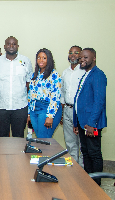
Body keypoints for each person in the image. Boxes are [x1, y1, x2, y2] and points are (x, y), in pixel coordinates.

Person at [73, 48, 107, 185]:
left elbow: (99, 102)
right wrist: (76, 122)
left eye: (86, 57)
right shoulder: (86, 74)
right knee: (85, 152)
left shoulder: (98, 75)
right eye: (81, 57)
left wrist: (92, 124)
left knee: (94, 154)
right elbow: (79, 100)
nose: (82, 60)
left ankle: (96, 185)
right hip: (83, 122)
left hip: (91, 124)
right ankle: (89, 181)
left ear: (94, 59)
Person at [0, 36, 33, 138]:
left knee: (18, 136)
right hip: (1, 106)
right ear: (5, 46)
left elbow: (29, 83)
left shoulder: (26, 61)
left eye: (14, 44)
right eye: (9, 44)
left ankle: (18, 155)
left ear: (18, 46)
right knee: (2, 136)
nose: (11, 46)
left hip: (20, 106)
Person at [27, 48, 62, 138]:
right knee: (39, 138)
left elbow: (56, 97)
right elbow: (30, 95)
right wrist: (29, 113)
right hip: (34, 109)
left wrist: (50, 116)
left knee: (44, 139)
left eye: (44, 58)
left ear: (49, 60)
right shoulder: (34, 75)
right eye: (39, 58)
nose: (41, 60)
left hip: (47, 109)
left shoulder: (54, 75)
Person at [60, 45, 85, 165]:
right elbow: (62, 94)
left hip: (80, 111)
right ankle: (73, 170)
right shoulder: (65, 72)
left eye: (76, 52)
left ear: (81, 55)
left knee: (82, 143)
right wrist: (61, 113)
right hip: (68, 110)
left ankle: (83, 172)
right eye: (70, 52)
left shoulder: (84, 71)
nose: (73, 55)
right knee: (70, 142)